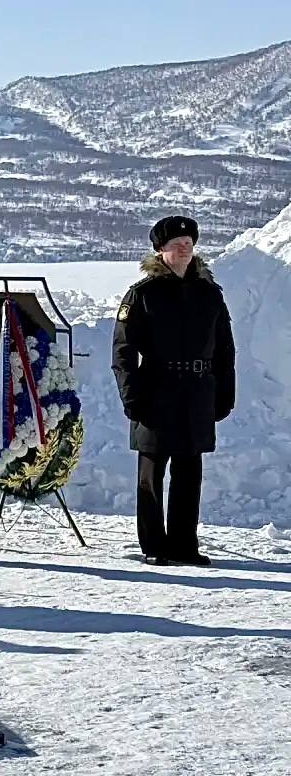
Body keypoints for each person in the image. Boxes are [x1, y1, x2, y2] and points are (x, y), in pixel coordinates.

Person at [112, 215, 235, 567]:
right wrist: (131, 395)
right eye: (175, 244)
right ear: (160, 251)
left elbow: (225, 349)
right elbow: (122, 350)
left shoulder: (209, 294)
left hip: (197, 393)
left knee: (189, 472)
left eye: (188, 243)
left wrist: (225, 393)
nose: (184, 248)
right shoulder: (143, 294)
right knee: (152, 473)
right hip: (156, 391)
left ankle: (184, 544)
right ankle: (154, 546)